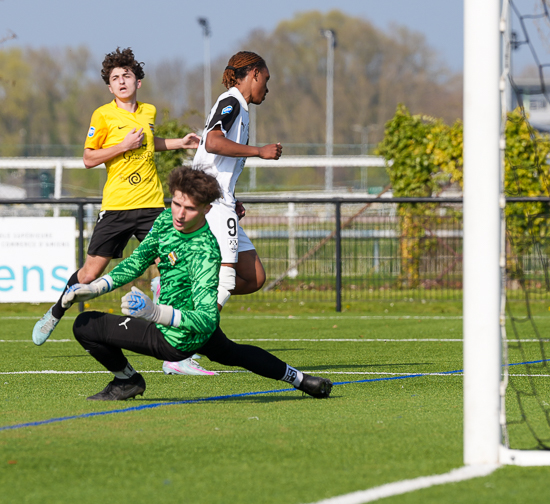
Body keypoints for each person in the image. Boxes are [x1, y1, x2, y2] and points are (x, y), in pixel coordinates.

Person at [63, 167, 332, 401]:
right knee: (235, 354)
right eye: (176, 203)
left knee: (84, 326)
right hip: (194, 332)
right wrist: (95, 287)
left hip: (175, 337)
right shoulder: (166, 220)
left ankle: (127, 380)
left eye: (189, 208)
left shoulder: (204, 251)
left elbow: (206, 319)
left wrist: (155, 313)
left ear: (207, 209)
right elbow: (137, 261)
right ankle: (302, 380)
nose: (179, 214)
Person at [31, 47, 200, 346]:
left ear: (138, 82)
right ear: (109, 87)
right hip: (117, 207)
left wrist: (178, 142)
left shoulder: (148, 111)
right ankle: (56, 312)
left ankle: (171, 332)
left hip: (150, 204)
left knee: (171, 263)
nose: (122, 81)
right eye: (115, 78)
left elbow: (147, 143)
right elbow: (88, 158)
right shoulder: (103, 115)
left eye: (127, 75)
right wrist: (122, 145)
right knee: (88, 274)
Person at [160, 50, 282, 376]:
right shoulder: (230, 103)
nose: (267, 89)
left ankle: (182, 289)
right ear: (253, 73)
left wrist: (233, 195)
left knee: (254, 277)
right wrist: (259, 151)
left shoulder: (239, 107)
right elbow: (213, 143)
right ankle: (181, 350)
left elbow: (217, 162)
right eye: (265, 80)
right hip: (212, 203)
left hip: (222, 200)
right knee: (227, 278)